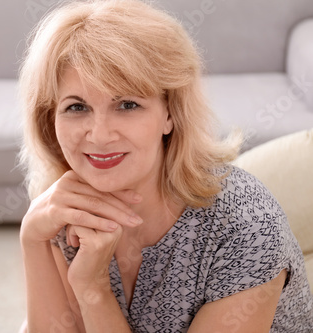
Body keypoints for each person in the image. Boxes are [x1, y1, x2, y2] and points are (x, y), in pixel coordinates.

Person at [17, 0, 313, 332]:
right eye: (76, 107)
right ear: (50, 120)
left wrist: (93, 287)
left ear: (170, 114)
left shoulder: (245, 226)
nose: (99, 135)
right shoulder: (61, 210)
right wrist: (32, 239)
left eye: (127, 104)